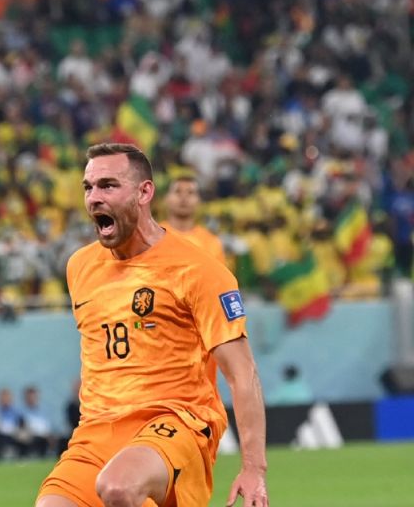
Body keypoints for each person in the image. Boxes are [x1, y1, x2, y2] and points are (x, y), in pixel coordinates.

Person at [37, 143, 269, 507]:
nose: (95, 198)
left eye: (109, 186)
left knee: (118, 485)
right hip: (98, 429)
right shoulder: (79, 267)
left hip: (177, 421)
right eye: (89, 187)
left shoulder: (199, 269)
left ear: (144, 192)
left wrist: (254, 468)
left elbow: (243, 372)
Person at [162, 172, 226, 263]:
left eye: (190, 192)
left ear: (199, 200)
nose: (184, 197)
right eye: (177, 191)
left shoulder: (211, 243)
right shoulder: (153, 238)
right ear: (166, 198)